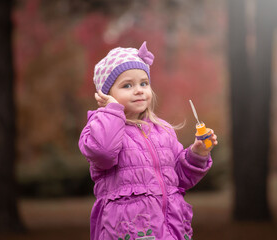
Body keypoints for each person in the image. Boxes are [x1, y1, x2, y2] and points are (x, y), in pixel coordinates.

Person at [79, 41, 218, 240]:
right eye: (127, 85)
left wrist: (197, 154)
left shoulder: (162, 130)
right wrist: (112, 111)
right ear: (106, 95)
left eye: (144, 83)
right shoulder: (99, 127)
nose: (139, 90)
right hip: (128, 231)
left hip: (170, 228)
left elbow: (178, 179)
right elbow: (103, 152)